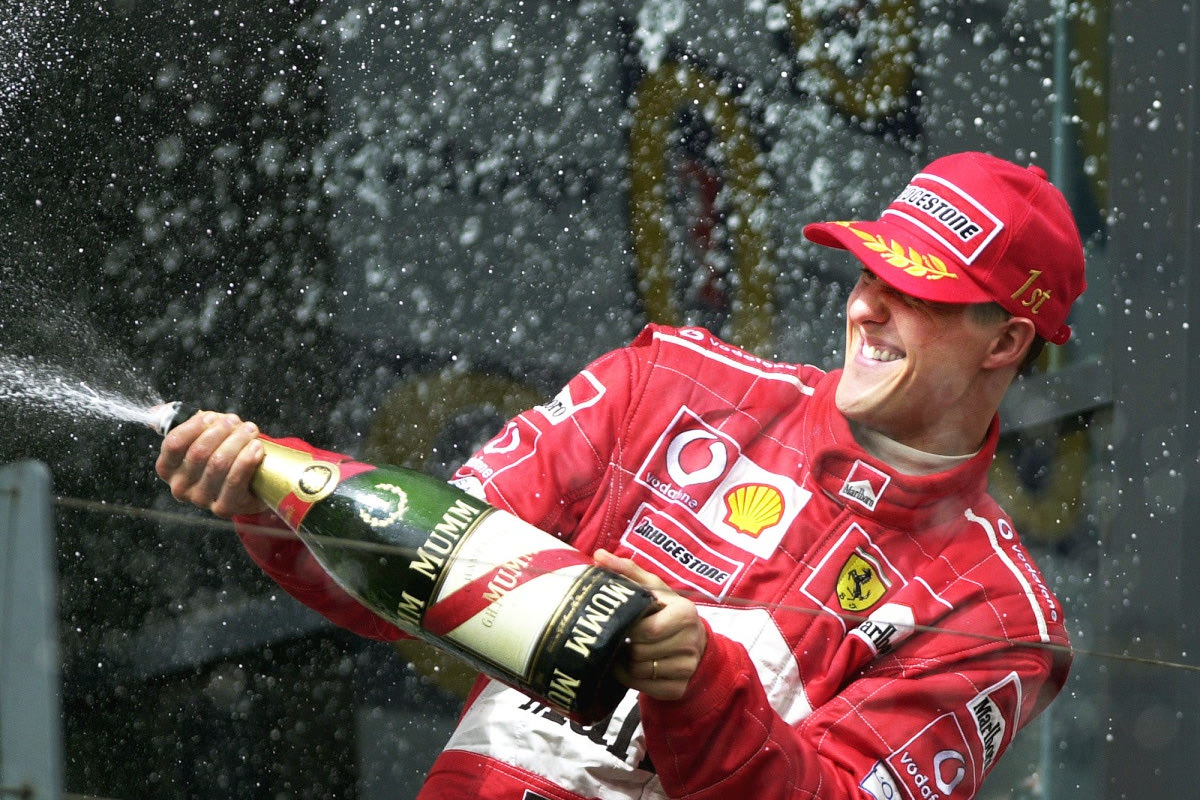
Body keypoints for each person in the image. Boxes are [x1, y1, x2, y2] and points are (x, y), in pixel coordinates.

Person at [158, 151, 1084, 800]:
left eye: (918, 292)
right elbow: (423, 570)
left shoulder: (1000, 618)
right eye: (870, 270)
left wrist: (703, 684)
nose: (868, 306)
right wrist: (278, 496)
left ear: (1005, 341)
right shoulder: (668, 383)